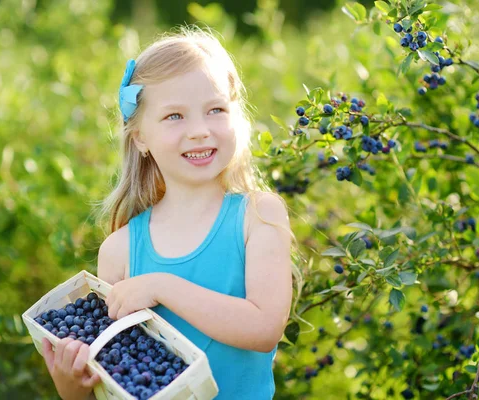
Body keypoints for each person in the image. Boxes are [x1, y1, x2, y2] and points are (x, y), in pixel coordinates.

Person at [41, 24, 304, 400]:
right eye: (175, 116)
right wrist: (73, 389)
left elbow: (263, 329)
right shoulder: (119, 251)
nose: (199, 130)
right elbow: (122, 377)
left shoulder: (258, 216)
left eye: (215, 110)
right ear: (140, 138)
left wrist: (161, 286)